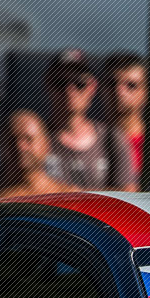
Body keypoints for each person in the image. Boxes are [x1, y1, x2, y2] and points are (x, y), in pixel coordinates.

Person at [40, 49, 135, 192]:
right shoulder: (32, 138)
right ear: (47, 84)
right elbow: (16, 190)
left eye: (79, 83)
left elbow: (128, 195)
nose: (70, 90)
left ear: (92, 86)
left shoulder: (112, 138)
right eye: (60, 83)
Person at [0, 110, 73, 201]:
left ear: (46, 144)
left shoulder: (70, 197)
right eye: (12, 140)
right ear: (3, 146)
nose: (20, 146)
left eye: (28, 139)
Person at [102, 52, 145, 187]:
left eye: (131, 85)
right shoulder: (85, 142)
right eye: (112, 83)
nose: (119, 91)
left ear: (146, 92)